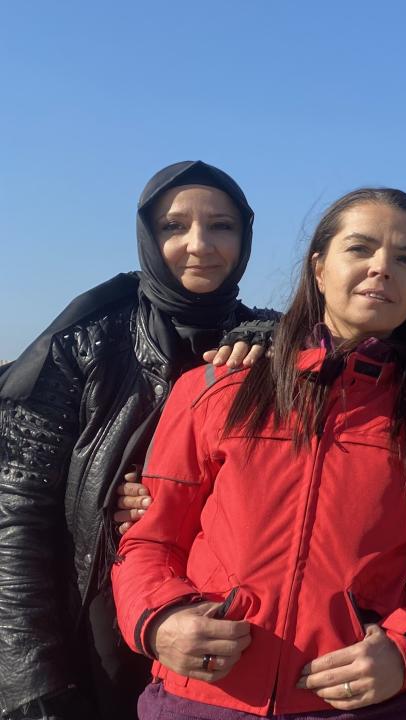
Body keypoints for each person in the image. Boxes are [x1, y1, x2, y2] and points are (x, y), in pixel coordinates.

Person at [110, 188, 406, 718]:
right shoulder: (210, 390)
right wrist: (159, 620)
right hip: (197, 701)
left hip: (363, 707)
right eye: (360, 248)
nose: (382, 267)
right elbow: (148, 540)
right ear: (318, 268)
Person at [0, 161, 268, 719]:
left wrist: (277, 337)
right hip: (90, 629)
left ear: (245, 236)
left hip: (229, 635)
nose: (200, 245)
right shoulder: (85, 343)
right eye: (174, 226)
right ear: (147, 235)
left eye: (221, 226)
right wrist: (32, 682)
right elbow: (17, 511)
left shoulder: (269, 346)